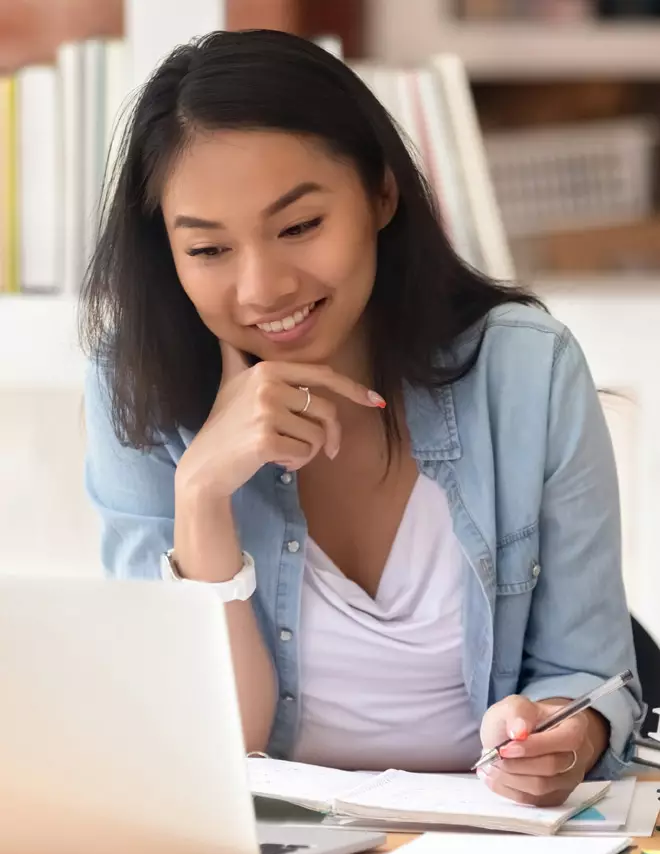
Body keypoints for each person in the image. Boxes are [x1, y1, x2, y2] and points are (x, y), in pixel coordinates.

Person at [81, 29, 644, 808]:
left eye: (300, 227)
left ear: (382, 194)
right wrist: (201, 494)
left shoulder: (527, 371)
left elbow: (589, 674)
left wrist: (559, 737)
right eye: (209, 250)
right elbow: (208, 745)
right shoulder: (133, 391)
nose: (263, 288)